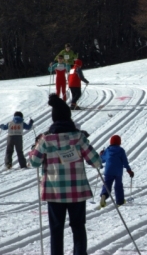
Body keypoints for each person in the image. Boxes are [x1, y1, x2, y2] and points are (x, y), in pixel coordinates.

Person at [29, 93, 102, 255]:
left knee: (56, 229)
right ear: (69, 117)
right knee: (78, 227)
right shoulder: (78, 137)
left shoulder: (46, 140)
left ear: (54, 118)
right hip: (77, 192)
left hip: (54, 192)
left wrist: (33, 150)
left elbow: (33, 163)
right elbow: (96, 161)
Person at [100, 135, 134, 207]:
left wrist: (101, 154)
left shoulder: (108, 150)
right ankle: (120, 201)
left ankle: (104, 195)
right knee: (118, 186)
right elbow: (125, 162)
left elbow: (102, 160)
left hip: (108, 170)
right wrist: (129, 171)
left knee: (107, 184)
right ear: (119, 142)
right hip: (118, 172)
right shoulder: (121, 150)